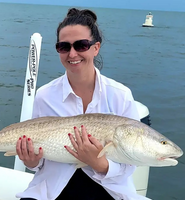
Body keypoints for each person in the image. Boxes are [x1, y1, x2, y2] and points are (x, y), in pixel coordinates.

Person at [15, 8, 148, 200]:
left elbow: (130, 164)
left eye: (81, 45)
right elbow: (39, 163)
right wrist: (31, 161)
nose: (72, 53)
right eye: (64, 47)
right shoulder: (44, 96)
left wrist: (99, 163)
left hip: (108, 189)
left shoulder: (120, 95)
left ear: (96, 48)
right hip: (53, 188)